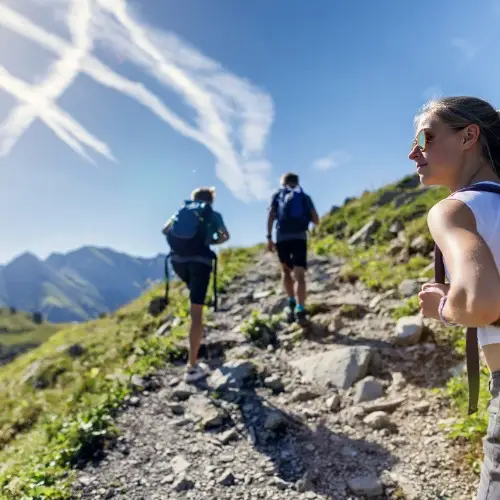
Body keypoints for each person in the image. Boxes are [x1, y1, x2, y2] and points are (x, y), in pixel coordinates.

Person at [409, 96, 500, 499]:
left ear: (469, 136)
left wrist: (443, 307)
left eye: (425, 138)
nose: (413, 152)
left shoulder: (452, 210)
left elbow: (480, 302)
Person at [162, 186, 230, 383]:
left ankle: (196, 338)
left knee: (194, 301)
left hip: (177, 262)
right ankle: (191, 368)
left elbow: (165, 230)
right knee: (196, 313)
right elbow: (225, 236)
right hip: (200, 261)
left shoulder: (181, 211)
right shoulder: (211, 213)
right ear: (211, 200)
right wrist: (208, 240)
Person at [266, 172, 319, 323]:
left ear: (283, 182)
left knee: (285, 271)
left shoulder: (277, 195)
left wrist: (269, 237)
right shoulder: (303, 196)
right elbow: (316, 219)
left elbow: (271, 215)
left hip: (282, 237)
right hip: (300, 238)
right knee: (300, 275)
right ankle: (300, 310)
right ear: (297, 181)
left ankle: (291, 302)